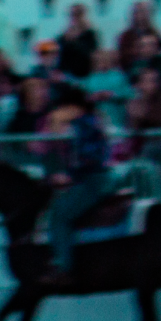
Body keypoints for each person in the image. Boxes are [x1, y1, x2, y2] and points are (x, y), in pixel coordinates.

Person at [45, 89, 113, 280]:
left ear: (73, 108)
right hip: (89, 177)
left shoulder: (86, 125)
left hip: (92, 180)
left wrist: (69, 175)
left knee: (59, 215)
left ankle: (63, 266)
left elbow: (89, 157)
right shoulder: (85, 124)